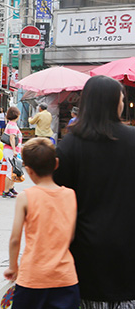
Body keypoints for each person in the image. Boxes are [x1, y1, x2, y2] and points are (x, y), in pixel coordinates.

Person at [55, 75, 135, 306]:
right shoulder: (132, 140)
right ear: (113, 103)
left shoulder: (69, 145)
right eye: (121, 99)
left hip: (83, 248)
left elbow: (57, 197)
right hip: (128, 245)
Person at [5, 138, 79, 309]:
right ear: (56, 164)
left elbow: (15, 238)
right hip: (65, 278)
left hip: (32, 278)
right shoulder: (70, 195)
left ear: (28, 170)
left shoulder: (26, 197)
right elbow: (72, 235)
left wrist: (13, 267)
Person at [2, 107, 22, 198]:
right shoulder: (13, 125)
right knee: (10, 170)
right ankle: (6, 190)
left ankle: (10, 188)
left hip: (10, 150)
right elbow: (12, 138)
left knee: (13, 170)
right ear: (16, 115)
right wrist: (14, 150)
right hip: (10, 150)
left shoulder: (11, 124)